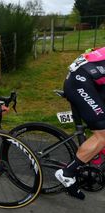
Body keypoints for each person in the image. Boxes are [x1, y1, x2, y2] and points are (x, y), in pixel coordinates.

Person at [55, 47, 105, 199]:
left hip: (91, 79)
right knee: (103, 134)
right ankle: (67, 173)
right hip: (80, 82)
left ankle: (95, 153)